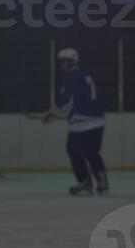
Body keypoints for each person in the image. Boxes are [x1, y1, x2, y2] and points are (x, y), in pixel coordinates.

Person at [44, 48, 109, 196]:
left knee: (73, 149)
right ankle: (102, 181)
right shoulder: (84, 73)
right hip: (98, 120)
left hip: (81, 122)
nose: (62, 64)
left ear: (72, 61)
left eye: (64, 61)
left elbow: (66, 103)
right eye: (60, 61)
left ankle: (85, 181)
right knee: (92, 152)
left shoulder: (70, 76)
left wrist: (51, 113)